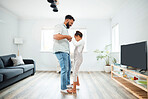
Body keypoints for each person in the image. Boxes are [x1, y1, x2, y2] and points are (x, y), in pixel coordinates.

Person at [53, 15, 75, 93]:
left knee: (68, 69)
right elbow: (55, 36)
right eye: (71, 23)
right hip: (60, 51)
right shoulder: (59, 26)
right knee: (64, 69)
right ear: (67, 20)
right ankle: (63, 88)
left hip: (66, 51)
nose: (71, 25)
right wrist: (66, 36)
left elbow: (62, 37)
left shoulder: (65, 29)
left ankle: (67, 84)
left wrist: (67, 38)